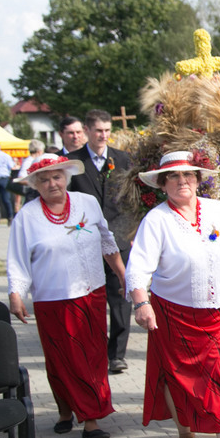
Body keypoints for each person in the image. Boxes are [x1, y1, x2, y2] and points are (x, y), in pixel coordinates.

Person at [126, 151, 220, 438]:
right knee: (179, 377)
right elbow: (138, 267)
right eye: (174, 176)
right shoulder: (156, 220)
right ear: (162, 184)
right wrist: (141, 304)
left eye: (189, 175)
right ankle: (186, 435)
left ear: (198, 180)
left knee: (219, 374)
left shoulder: (218, 210)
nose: (182, 181)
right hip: (175, 312)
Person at [6, 155, 126, 438]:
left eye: (57, 177)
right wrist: (15, 294)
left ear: (66, 178)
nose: (52, 184)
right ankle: (64, 410)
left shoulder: (87, 203)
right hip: (52, 298)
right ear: (35, 185)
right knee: (60, 358)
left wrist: (124, 276)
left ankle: (91, 418)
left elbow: (107, 242)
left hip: (91, 292)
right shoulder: (27, 217)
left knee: (91, 356)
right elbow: (18, 260)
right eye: (44, 180)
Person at [69, 109, 134, 374]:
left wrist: (130, 232)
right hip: (85, 239)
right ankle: (92, 349)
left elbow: (131, 200)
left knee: (121, 296)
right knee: (89, 298)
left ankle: (117, 355)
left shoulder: (123, 159)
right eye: (98, 131)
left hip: (118, 237)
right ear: (87, 130)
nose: (103, 136)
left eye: (107, 131)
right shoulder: (73, 162)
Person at [15, 139, 45, 204]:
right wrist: (36, 183)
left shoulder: (34, 160)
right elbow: (20, 179)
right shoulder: (28, 162)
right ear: (39, 151)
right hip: (32, 194)